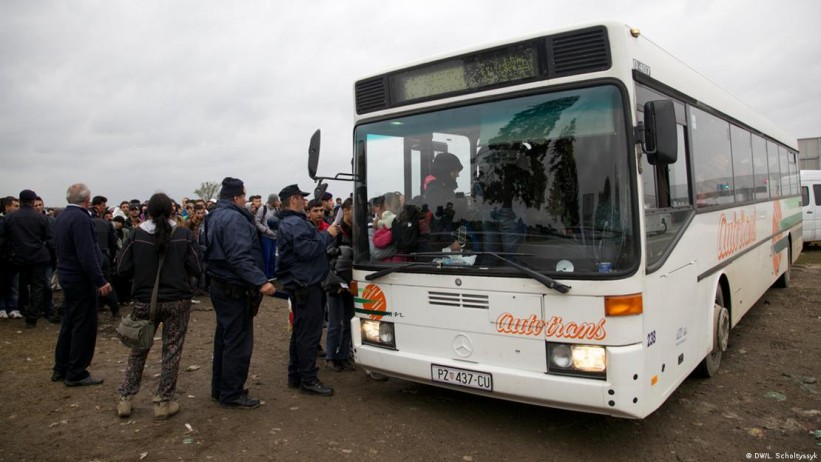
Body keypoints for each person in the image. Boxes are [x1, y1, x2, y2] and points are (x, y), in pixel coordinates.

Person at [115, 192, 201, 420]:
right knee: (172, 351)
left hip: (145, 301)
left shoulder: (136, 235)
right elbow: (197, 266)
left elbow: (122, 267)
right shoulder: (183, 235)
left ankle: (125, 399)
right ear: (173, 210)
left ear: (147, 212)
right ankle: (163, 402)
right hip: (177, 301)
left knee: (138, 348)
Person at [204, 177, 276, 409]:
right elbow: (238, 256)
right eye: (244, 196)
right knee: (238, 342)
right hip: (234, 287)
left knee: (224, 339)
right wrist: (260, 282)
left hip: (219, 285)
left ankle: (221, 388)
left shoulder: (213, 215)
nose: (246, 200)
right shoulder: (234, 219)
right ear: (236, 197)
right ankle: (232, 392)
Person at [276, 184, 339, 396]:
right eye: (302, 198)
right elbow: (307, 250)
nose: (306, 201)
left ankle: (296, 375)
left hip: (302, 283)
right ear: (294, 200)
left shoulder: (292, 222)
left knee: (300, 332)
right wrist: (327, 235)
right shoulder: (295, 223)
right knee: (308, 334)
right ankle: (308, 379)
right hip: (307, 284)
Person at [52, 183, 112, 386]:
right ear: (88, 200)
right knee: (84, 326)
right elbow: (86, 253)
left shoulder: (61, 216)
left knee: (69, 322)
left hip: (67, 274)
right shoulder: (81, 219)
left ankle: (61, 367)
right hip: (80, 278)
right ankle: (76, 371)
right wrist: (99, 280)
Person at [2, 190, 55, 327]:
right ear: (33, 201)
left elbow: (4, 239)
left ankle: (19, 307)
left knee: (18, 284)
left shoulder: (10, 218)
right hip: (38, 256)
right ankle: (32, 318)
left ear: (20, 200)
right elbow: (50, 239)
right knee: (37, 287)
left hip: (16, 256)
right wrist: (54, 256)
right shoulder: (42, 218)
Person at [324, 198, 355, 372]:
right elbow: (327, 256)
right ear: (345, 210)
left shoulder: (356, 231)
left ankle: (343, 355)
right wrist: (332, 279)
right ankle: (330, 357)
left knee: (350, 321)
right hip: (335, 282)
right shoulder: (335, 230)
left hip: (351, 282)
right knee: (335, 323)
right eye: (353, 210)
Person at [255, 193, 280, 279]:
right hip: (266, 237)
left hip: (274, 237)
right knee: (266, 257)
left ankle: (271, 275)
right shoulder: (263, 209)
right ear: (272, 201)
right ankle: (265, 276)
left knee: (273, 257)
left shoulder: (276, 210)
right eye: (277, 200)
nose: (278, 202)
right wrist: (266, 230)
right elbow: (257, 222)